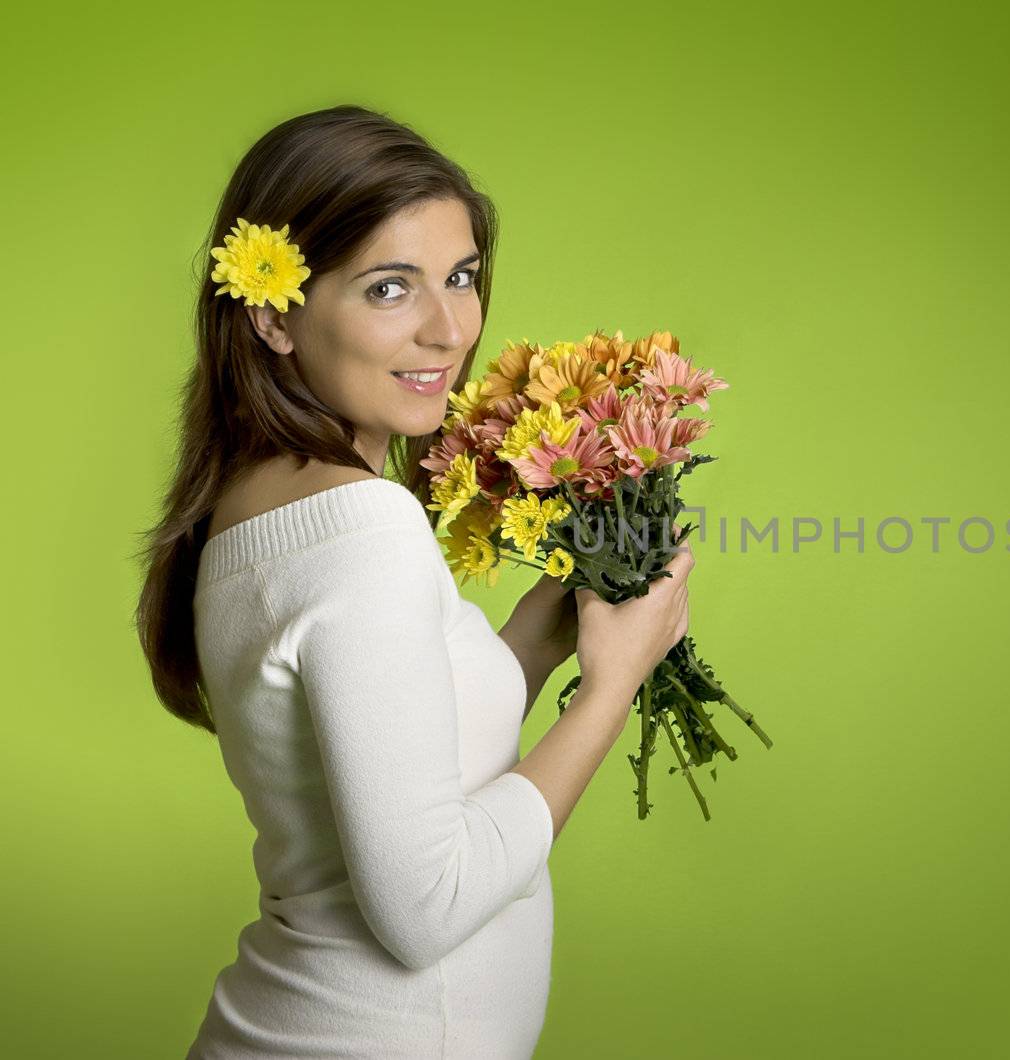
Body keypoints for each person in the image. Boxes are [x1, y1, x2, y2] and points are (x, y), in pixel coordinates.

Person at [132, 104, 691, 1058]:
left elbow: (394, 741)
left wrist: (532, 642)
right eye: (390, 288)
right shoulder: (366, 529)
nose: (449, 330)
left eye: (462, 277)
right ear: (271, 313)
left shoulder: (259, 500)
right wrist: (610, 687)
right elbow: (427, 904)